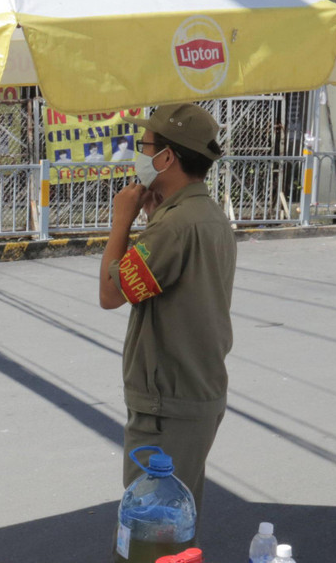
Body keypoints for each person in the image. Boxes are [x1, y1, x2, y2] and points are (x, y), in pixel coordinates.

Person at [99, 103, 235, 513]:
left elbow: (111, 293)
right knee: (176, 519)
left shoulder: (175, 225)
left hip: (167, 405)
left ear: (167, 156)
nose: (140, 156)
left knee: (153, 532)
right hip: (193, 393)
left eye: (145, 147)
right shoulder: (205, 215)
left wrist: (122, 219)